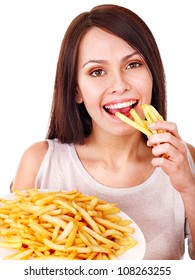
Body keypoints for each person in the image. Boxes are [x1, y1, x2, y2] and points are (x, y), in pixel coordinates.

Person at [11, 4, 195, 260]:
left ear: (153, 73)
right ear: (76, 90)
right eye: (97, 71)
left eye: (133, 64)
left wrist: (188, 186)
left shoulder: (184, 159)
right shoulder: (40, 163)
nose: (119, 85)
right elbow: (13, 260)